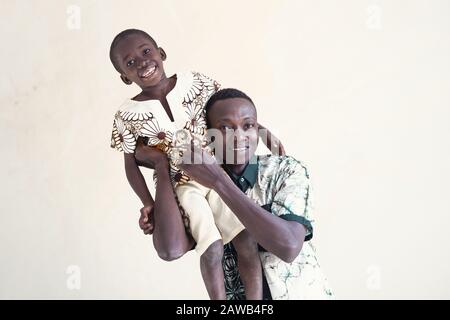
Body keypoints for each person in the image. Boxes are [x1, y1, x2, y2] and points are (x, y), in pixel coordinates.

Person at [109, 29, 284, 299]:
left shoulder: (195, 83)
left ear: (161, 53)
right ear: (124, 76)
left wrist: (261, 131)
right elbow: (130, 163)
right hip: (182, 186)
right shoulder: (126, 115)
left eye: (146, 51)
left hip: (217, 174)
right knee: (211, 248)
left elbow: (230, 111)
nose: (142, 62)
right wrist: (148, 203)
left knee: (246, 240)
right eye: (130, 62)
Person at [137, 88, 334, 299]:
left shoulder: (286, 171)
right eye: (224, 128)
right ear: (208, 136)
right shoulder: (197, 189)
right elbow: (170, 250)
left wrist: (220, 182)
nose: (239, 136)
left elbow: (288, 247)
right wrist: (161, 165)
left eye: (248, 126)